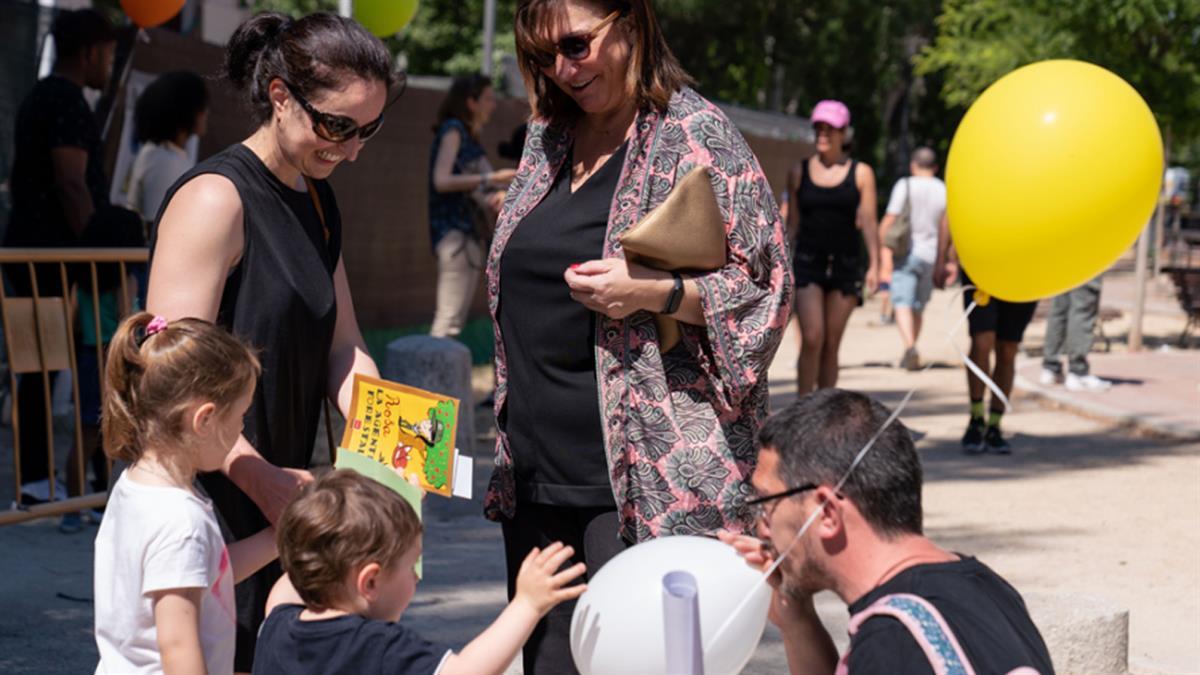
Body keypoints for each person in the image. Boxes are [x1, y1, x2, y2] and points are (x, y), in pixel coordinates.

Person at [491, 1, 792, 671]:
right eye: (541, 57)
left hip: (640, 482)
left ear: (629, 21)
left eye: (575, 44)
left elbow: (767, 287)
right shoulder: (549, 137)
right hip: (538, 476)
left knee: (641, 662)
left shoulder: (696, 134)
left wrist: (654, 292)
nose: (562, 69)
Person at [145, 12, 398, 668]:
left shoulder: (316, 200)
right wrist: (255, 476)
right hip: (213, 494)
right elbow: (170, 378)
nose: (352, 149)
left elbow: (344, 343)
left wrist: (394, 442)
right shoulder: (214, 199)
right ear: (281, 95)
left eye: (368, 130)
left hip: (281, 490)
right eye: (337, 126)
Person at [721, 389, 1053, 673]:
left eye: (767, 503)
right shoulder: (985, 585)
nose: (761, 525)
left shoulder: (894, 643)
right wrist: (796, 616)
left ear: (826, 512)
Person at [4, 8, 144, 518]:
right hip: (50, 259)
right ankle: (39, 482)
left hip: (35, 254)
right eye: (107, 54)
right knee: (41, 365)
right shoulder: (64, 100)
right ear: (89, 53)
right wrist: (97, 249)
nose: (109, 63)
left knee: (40, 365)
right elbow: (70, 180)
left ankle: (42, 479)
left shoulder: (43, 96)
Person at [254, 470, 588, 674]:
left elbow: (293, 576)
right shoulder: (379, 646)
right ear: (369, 581)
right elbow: (468, 671)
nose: (416, 577)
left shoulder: (277, 626)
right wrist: (527, 606)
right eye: (411, 565)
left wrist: (398, 508)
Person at [93, 313, 278, 674]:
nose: (244, 428)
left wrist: (280, 538)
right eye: (241, 416)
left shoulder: (135, 488)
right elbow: (178, 651)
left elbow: (209, 571)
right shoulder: (181, 522)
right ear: (204, 420)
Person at [788, 99, 881, 395]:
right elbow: (792, 224)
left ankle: (824, 417)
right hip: (807, 261)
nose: (823, 134)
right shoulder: (798, 172)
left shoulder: (861, 173)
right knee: (812, 336)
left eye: (830, 128)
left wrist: (877, 265)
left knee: (831, 344)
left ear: (844, 133)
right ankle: (802, 412)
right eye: (818, 128)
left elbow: (868, 221)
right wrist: (779, 262)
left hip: (846, 263)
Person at [934, 215, 1035, 454]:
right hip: (983, 264)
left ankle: (995, 425)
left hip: (1025, 267)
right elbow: (953, 211)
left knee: (1008, 348)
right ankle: (976, 417)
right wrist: (942, 258)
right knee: (982, 340)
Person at [428, 74, 517, 338]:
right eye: (488, 98)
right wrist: (493, 177)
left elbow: (475, 190)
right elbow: (441, 180)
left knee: (453, 320)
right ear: (471, 101)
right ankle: (428, 378)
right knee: (448, 321)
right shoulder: (454, 129)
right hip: (455, 235)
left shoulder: (467, 134)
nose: (493, 104)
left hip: (468, 235)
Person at [880, 146, 947, 371]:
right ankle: (912, 346)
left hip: (906, 252)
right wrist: (946, 261)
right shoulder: (942, 189)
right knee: (918, 307)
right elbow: (947, 228)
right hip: (931, 255)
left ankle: (909, 347)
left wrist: (882, 253)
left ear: (913, 165)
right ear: (935, 167)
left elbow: (890, 219)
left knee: (902, 303)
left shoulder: (905, 185)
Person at [126, 71, 209, 223]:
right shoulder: (163, 161)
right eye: (202, 106)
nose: (205, 113)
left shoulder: (162, 154)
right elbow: (158, 224)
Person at [1040, 276, 1112, 391]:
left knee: (1060, 307)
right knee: (1083, 307)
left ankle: (1051, 367)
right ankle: (1078, 372)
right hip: (1086, 261)